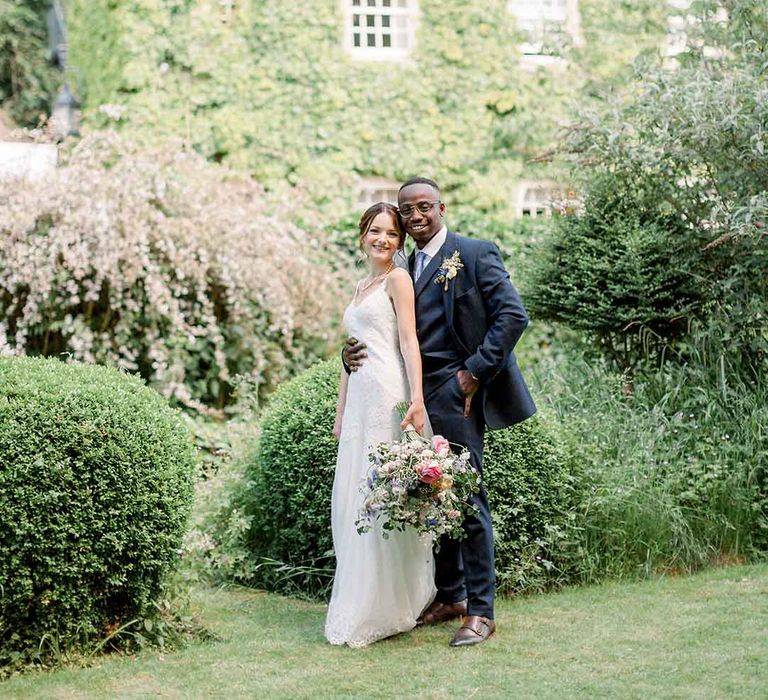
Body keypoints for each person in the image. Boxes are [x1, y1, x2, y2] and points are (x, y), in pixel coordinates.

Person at [343, 177, 536, 647]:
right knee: (434, 495)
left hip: (456, 393)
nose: (415, 216)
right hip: (410, 397)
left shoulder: (474, 253)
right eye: (407, 211)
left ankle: (482, 611)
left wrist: (472, 374)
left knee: (466, 498)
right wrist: (348, 358)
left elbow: (513, 316)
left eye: (423, 207)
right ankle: (451, 595)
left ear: (441, 207)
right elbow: (393, 331)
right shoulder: (405, 265)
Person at [324, 202, 436, 648]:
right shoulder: (359, 286)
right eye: (375, 231)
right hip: (358, 401)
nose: (382, 240)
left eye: (391, 234)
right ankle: (359, 598)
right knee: (355, 498)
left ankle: (382, 606)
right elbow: (349, 356)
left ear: (399, 242)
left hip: (388, 397)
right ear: (362, 235)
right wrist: (339, 413)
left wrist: (417, 400)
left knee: (379, 496)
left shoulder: (397, 280)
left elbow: (409, 341)